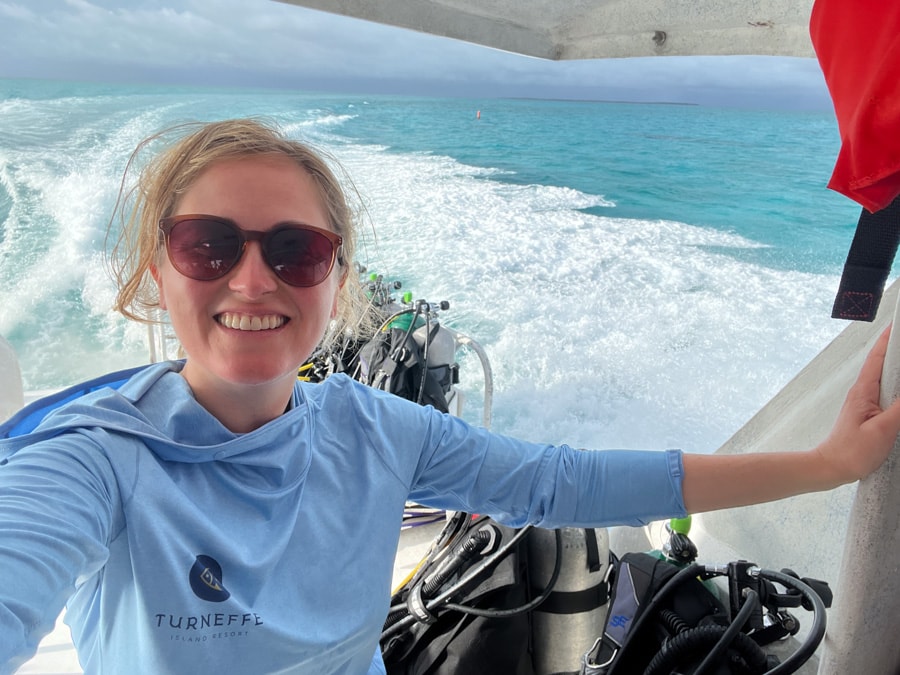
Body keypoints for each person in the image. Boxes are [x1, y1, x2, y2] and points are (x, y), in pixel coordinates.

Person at [1, 118, 899, 675]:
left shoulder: (371, 429)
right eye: (208, 245)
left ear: (335, 278)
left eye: (295, 251)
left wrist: (827, 465)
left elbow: (568, 483)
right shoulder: (92, 456)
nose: (250, 279)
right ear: (158, 272)